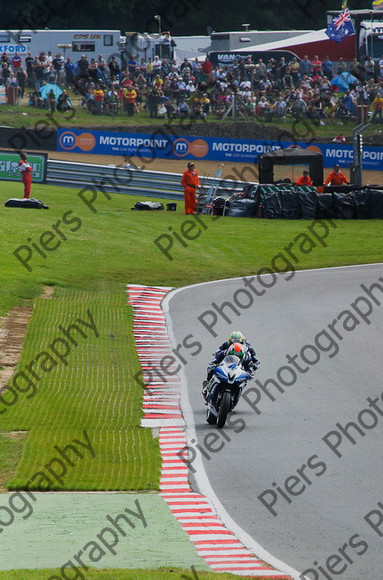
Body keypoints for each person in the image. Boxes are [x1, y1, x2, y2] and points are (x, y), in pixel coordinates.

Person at [202, 331, 260, 399]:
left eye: (239, 343)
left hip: (240, 363)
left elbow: (254, 359)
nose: (236, 344)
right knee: (211, 369)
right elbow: (217, 354)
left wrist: (253, 368)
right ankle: (208, 383)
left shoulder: (247, 347)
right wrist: (213, 363)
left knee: (245, 379)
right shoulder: (226, 345)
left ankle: (237, 391)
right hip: (227, 360)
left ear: (243, 342)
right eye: (233, 343)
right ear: (230, 342)